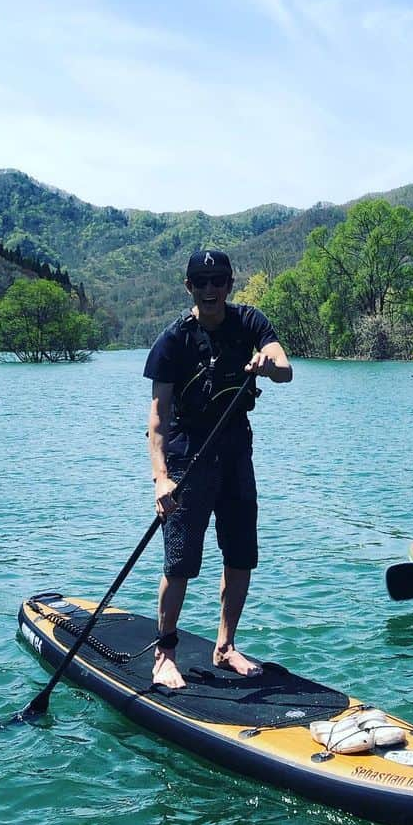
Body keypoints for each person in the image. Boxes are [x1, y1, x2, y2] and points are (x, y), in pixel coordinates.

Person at [144, 249, 292, 689]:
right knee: (181, 561)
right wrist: (161, 478)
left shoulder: (248, 321)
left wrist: (270, 365)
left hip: (235, 453)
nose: (210, 289)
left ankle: (225, 647)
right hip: (188, 456)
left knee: (241, 553)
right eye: (201, 282)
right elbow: (157, 419)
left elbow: (284, 367)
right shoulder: (173, 341)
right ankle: (164, 653)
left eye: (218, 281)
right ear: (188, 286)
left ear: (229, 284)